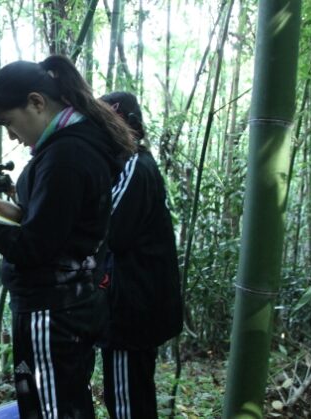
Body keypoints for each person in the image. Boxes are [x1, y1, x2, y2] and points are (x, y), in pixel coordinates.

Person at [0, 55, 135, 418]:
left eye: (10, 123)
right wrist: (9, 210)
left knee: (51, 410)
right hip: (64, 307)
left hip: (53, 310)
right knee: (59, 404)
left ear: (37, 103)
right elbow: (59, 225)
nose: (11, 135)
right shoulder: (73, 144)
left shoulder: (67, 155)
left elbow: (35, 248)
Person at [98, 92, 184, 419]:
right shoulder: (135, 165)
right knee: (135, 398)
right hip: (139, 304)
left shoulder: (135, 164)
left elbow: (110, 230)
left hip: (131, 311)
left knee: (126, 404)